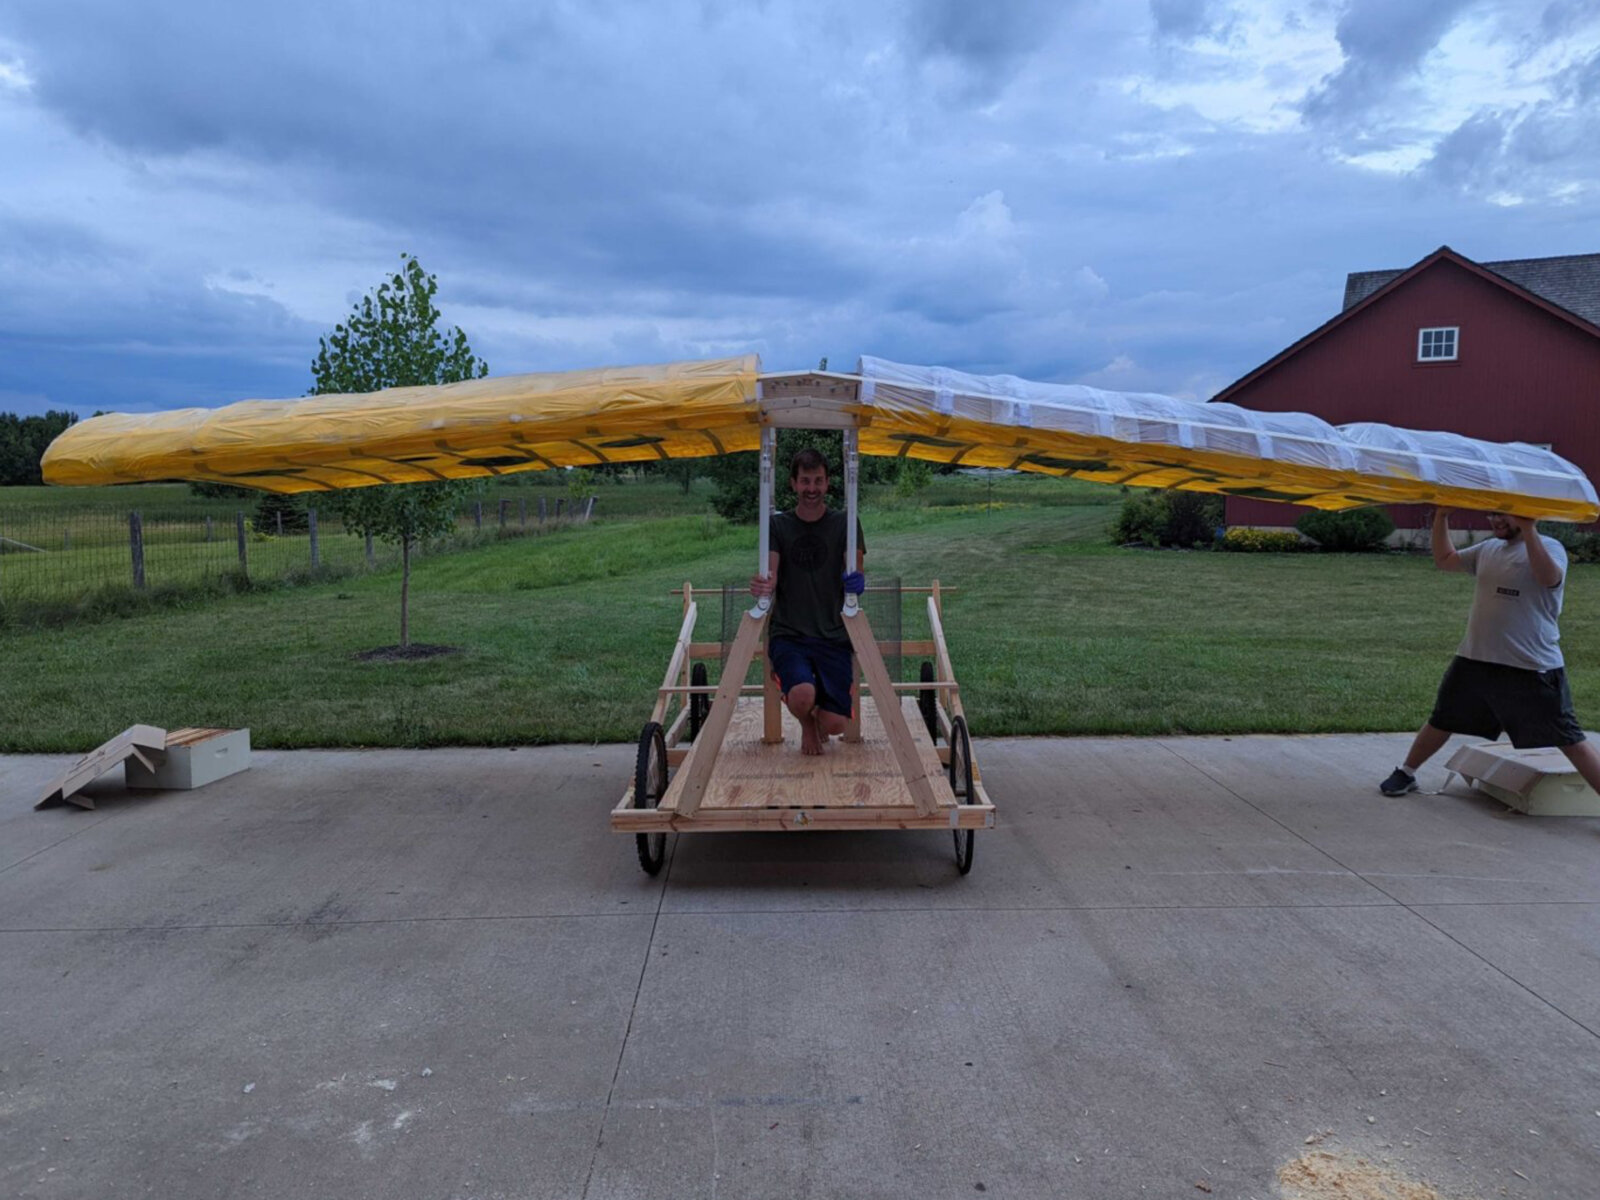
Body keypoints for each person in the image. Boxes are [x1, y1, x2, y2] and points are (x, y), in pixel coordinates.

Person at [1380, 507, 1600, 796]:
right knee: (1442, 719)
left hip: (1532, 666)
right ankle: (1406, 772)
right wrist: (1442, 517)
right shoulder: (1489, 548)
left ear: (1528, 514)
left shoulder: (1549, 547)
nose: (1496, 520)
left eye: (1504, 514)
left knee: (1569, 738)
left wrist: (1530, 530)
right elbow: (1445, 560)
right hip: (1475, 658)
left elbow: (1549, 579)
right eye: (1492, 514)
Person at [749, 447, 866, 755]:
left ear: (828, 483)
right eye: (805, 481)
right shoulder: (778, 525)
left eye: (817, 481)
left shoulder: (846, 523)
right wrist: (764, 584)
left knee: (836, 724)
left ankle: (819, 721)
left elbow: (855, 569)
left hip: (833, 634)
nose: (811, 489)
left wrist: (856, 581)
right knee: (802, 695)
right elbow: (770, 572)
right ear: (793, 484)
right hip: (790, 633)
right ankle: (805, 724)